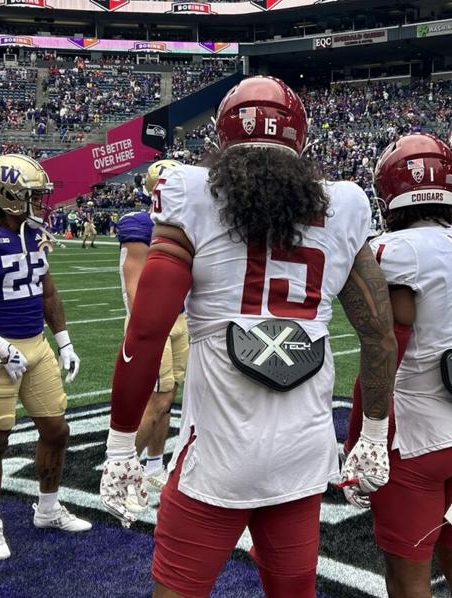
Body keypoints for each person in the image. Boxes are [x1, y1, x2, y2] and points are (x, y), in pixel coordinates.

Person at [98, 76, 397, 597]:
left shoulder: (192, 193)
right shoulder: (345, 204)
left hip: (220, 448)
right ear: (300, 142)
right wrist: (372, 433)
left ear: (222, 141)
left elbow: (146, 333)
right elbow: (377, 334)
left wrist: (123, 443)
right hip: (303, 446)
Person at [348, 133, 452, 598]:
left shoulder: (394, 251)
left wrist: (361, 440)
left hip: (414, 435)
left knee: (408, 578)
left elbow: (382, 354)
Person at [0, 153, 91, 561]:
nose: (39, 201)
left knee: (57, 430)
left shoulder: (35, 233)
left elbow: (47, 292)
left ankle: (47, 509)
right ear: (6, 195)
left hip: (36, 344)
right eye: (30, 195)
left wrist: (63, 341)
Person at [117, 159, 188, 494]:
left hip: (182, 318)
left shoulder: (188, 222)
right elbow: (135, 285)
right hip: (154, 321)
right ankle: (122, 472)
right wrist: (148, 326)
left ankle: (155, 466)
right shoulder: (140, 224)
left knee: (168, 397)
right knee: (156, 401)